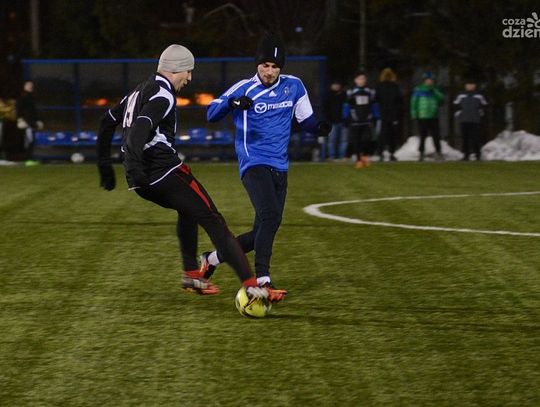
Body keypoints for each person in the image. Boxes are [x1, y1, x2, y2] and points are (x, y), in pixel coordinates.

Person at [96, 44, 269, 302]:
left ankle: (191, 274)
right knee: (213, 219)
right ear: (177, 69)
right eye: (188, 71)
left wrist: (105, 166)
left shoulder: (138, 91)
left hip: (141, 181)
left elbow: (106, 122)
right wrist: (134, 165)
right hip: (163, 172)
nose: (189, 78)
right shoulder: (164, 95)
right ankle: (252, 287)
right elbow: (138, 131)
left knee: (188, 210)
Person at [203, 33, 330, 295]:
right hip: (253, 163)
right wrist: (232, 103)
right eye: (265, 65)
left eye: (274, 66)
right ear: (257, 64)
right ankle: (262, 281)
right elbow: (211, 113)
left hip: (280, 166)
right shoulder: (244, 88)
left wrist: (319, 127)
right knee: (270, 216)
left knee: (263, 228)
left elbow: (306, 120)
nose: (269, 71)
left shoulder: (294, 86)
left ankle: (211, 259)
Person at [410, 72, 445, 161]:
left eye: (431, 80)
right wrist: (414, 114)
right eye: (428, 80)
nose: (429, 82)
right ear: (424, 81)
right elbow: (414, 102)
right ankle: (421, 153)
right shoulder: (418, 89)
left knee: (436, 136)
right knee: (422, 136)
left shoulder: (435, 90)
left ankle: (438, 152)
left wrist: (435, 91)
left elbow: (441, 100)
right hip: (422, 116)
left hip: (433, 116)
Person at [344, 71, 375, 168]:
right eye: (360, 79)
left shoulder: (370, 91)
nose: (362, 80)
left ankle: (365, 156)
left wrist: (374, 116)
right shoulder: (351, 92)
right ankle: (358, 160)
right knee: (356, 140)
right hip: (355, 120)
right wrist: (346, 117)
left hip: (366, 119)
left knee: (367, 139)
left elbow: (373, 105)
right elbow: (347, 106)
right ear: (355, 80)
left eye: (363, 79)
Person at [453, 80, 488, 161]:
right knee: (465, 138)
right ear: (465, 86)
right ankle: (466, 155)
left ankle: (477, 155)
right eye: (468, 84)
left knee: (475, 138)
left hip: (475, 120)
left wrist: (481, 113)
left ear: (474, 86)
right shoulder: (461, 95)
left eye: (472, 84)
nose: (470, 86)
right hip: (464, 119)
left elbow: (485, 105)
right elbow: (455, 105)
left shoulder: (479, 95)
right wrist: (458, 114)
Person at [375, 68, 402, 161]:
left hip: (383, 114)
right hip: (393, 114)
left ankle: (380, 153)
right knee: (392, 134)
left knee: (382, 134)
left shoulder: (379, 86)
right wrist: (397, 112)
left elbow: (376, 99)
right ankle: (391, 153)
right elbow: (399, 100)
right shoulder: (395, 86)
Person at [16, 81, 43, 164]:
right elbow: (20, 110)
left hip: (31, 122)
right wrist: (20, 119)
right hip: (27, 123)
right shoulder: (23, 97)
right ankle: (28, 160)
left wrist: (38, 120)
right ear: (24, 86)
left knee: (31, 140)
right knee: (29, 140)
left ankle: (30, 159)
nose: (30, 86)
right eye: (28, 85)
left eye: (31, 85)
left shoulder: (32, 97)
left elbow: (34, 111)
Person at [324, 80, 348, 161]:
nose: (336, 86)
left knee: (343, 140)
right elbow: (325, 109)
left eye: (338, 84)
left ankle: (342, 156)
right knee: (332, 140)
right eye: (335, 84)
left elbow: (347, 108)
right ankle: (332, 156)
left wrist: (347, 119)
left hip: (343, 121)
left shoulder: (344, 95)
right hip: (332, 122)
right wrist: (328, 119)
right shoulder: (328, 96)